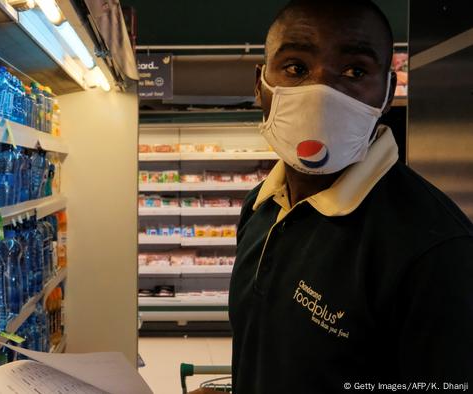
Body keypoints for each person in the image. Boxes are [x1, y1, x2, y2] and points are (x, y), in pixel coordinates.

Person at [192, 1, 473, 393]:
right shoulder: (259, 208)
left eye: (355, 71)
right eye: (296, 68)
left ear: (387, 93)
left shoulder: (435, 250)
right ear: (260, 84)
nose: (321, 92)